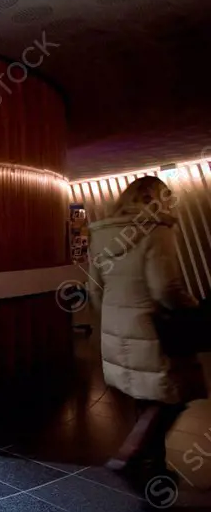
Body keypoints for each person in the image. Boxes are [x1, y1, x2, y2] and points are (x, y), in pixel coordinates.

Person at [88, 175, 207, 487]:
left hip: (118, 332)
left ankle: (155, 473)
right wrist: (191, 307)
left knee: (145, 400)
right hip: (153, 330)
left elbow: (94, 289)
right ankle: (131, 455)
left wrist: (113, 322)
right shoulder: (156, 230)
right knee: (173, 395)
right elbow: (165, 287)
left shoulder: (102, 234)